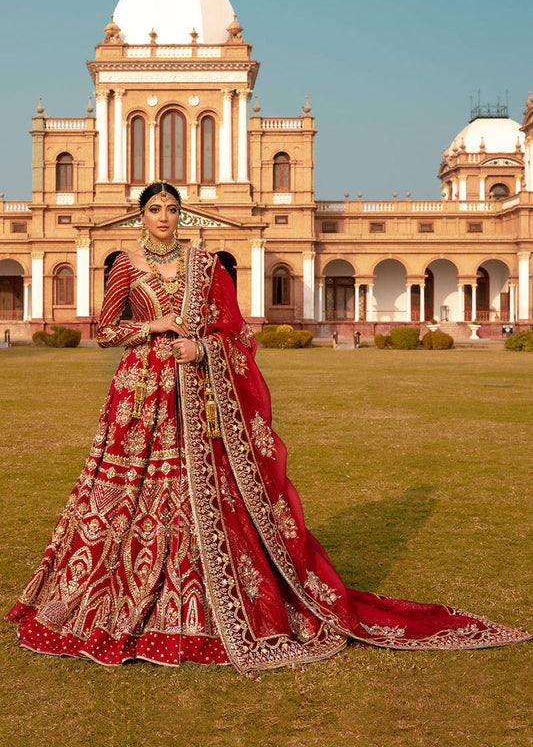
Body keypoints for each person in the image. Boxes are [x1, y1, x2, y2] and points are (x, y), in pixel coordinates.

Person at [8, 181, 531, 673]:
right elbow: (105, 331)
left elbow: (231, 330)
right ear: (141, 216)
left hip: (199, 392)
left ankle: (205, 602)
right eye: (154, 210)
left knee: (204, 491)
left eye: (171, 209)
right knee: (129, 491)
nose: (164, 218)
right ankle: (119, 594)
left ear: (180, 215)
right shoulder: (126, 263)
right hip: (141, 396)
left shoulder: (206, 264)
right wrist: (156, 326)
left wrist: (202, 346)